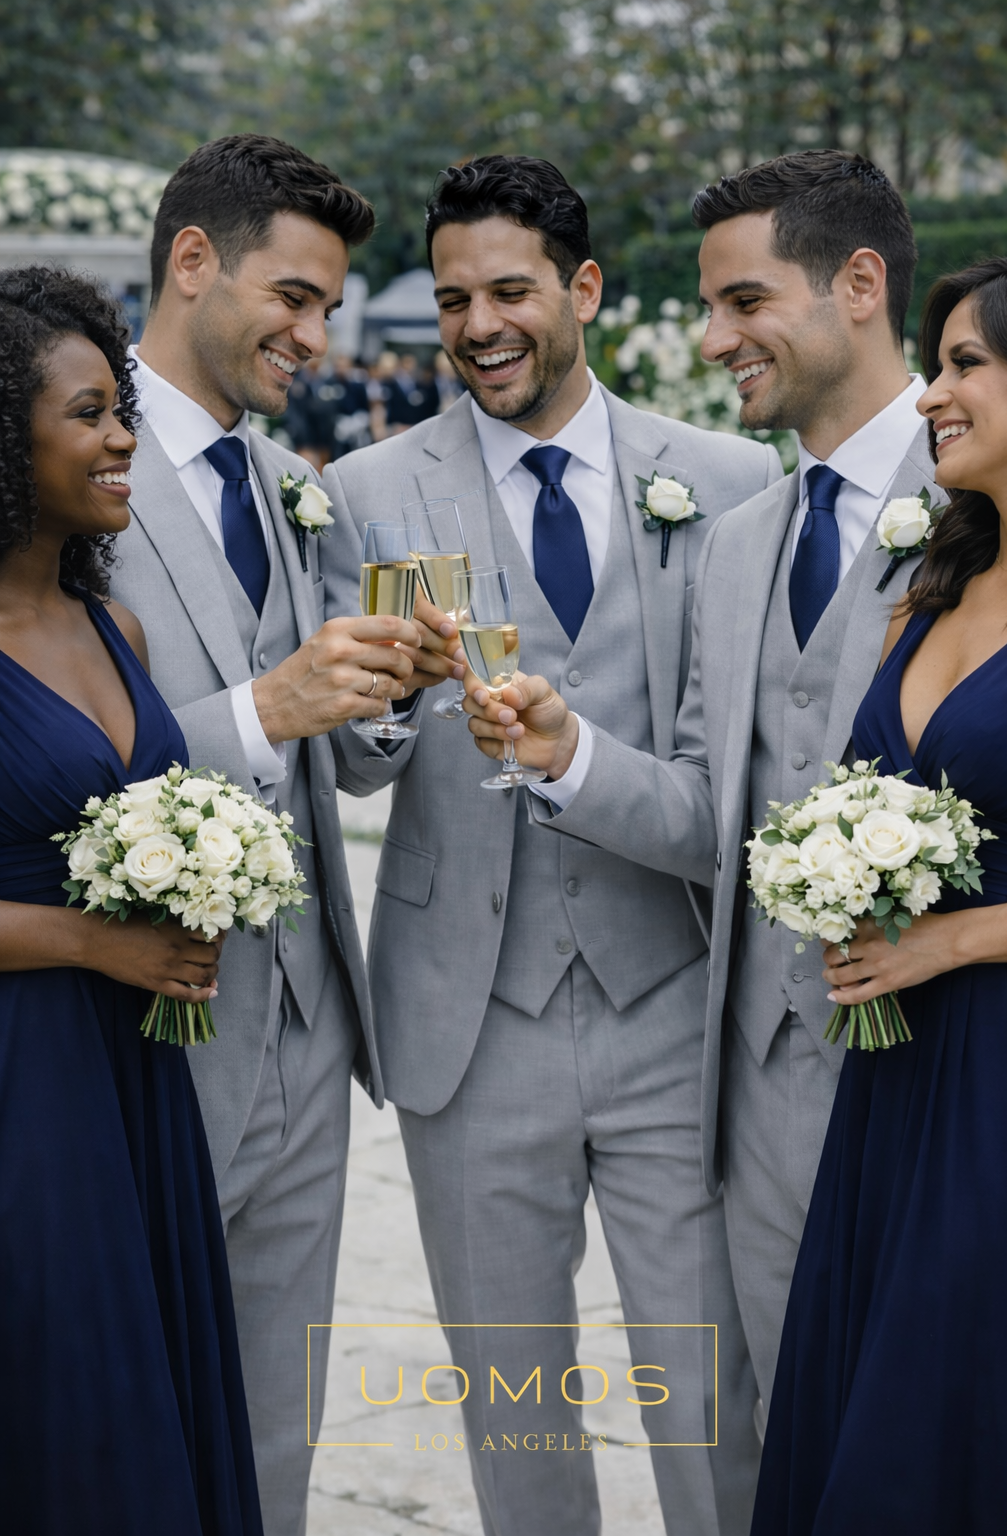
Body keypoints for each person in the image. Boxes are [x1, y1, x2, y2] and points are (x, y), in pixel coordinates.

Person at [323, 154, 783, 1536]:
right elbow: (353, 754)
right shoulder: (365, 487)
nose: (477, 326)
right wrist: (397, 691)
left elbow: (736, 769)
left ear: (581, 289)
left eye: (510, 290)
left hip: (669, 1007)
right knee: (514, 1406)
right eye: (456, 299)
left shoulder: (728, 479)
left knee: (708, 1400)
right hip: (470, 1020)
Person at [463, 150, 939, 1437]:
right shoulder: (739, 543)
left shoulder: (986, 497)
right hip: (761, 1095)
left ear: (856, 283)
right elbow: (704, 823)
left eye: (741, 301)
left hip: (956, 1078)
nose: (714, 337)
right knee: (788, 1443)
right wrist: (568, 757)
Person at [91, 134, 447, 1536]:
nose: (316, 334)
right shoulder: (60, 453)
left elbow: (340, 765)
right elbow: (50, 757)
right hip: (138, 1021)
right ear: (191, 263)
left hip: (309, 1017)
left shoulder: (285, 480)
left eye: (328, 310)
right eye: (293, 298)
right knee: (126, 1399)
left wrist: (387, 694)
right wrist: (262, 702)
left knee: (276, 1425)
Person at [751, 254, 1007, 1533]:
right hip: (899, 1079)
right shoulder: (942, 584)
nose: (931, 395)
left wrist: (959, 935)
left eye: (965, 364)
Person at [0, 266, 262, 1533]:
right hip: (23, 1082)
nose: (122, 441)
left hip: (136, 1080)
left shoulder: (119, 633)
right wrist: (96, 942)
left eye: (124, 413)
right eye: (92, 413)